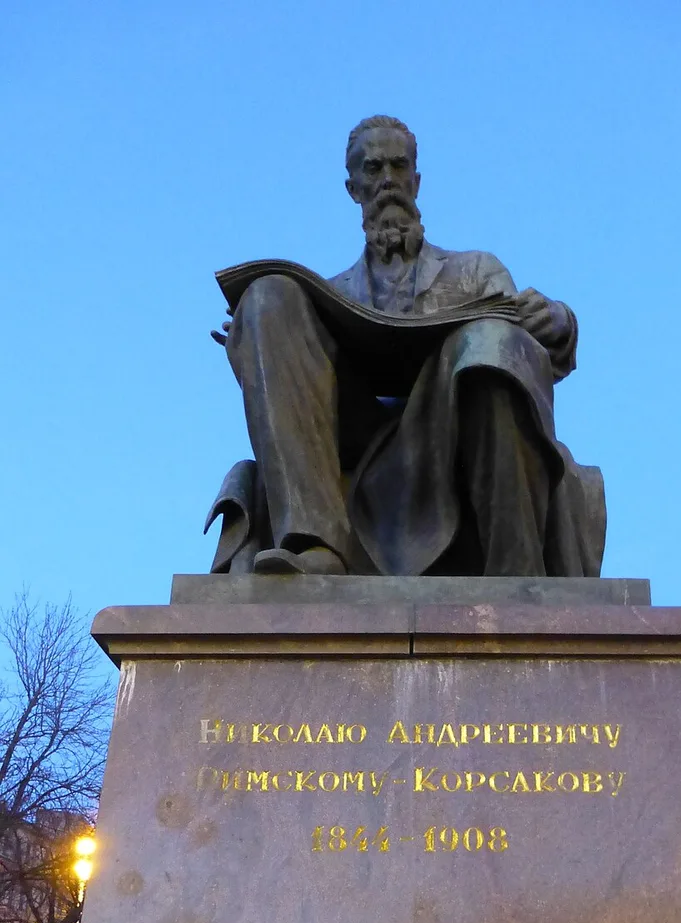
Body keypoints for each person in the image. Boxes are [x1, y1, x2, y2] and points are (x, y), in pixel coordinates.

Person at [207, 115, 605, 578]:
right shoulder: (325, 297)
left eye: (399, 167)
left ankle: (514, 574)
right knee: (268, 296)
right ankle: (316, 546)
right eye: (373, 169)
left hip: (449, 430)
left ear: (417, 181)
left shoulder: (474, 269)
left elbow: (525, 352)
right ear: (352, 187)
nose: (388, 181)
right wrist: (255, 339)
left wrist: (558, 319)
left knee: (491, 343)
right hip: (357, 435)